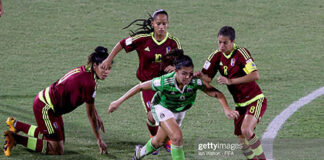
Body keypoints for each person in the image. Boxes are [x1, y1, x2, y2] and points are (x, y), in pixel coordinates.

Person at [108, 50, 239, 160]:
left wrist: (226, 109)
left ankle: (139, 153)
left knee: (160, 141)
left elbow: (217, 94)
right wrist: (118, 101)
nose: (188, 77)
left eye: (190, 73)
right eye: (184, 74)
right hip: (162, 106)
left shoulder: (195, 81)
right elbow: (140, 87)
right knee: (176, 137)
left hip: (180, 110)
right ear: (175, 70)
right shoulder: (165, 81)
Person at [3, 46, 111, 156]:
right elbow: (90, 113)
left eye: (108, 68)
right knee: (56, 149)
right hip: (45, 107)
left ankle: (16, 125)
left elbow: (89, 101)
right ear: (95, 65)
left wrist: (96, 115)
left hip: (53, 107)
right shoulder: (89, 83)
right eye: (103, 68)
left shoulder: (87, 72)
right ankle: (14, 138)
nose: (106, 72)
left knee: (58, 142)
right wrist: (99, 139)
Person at [102, 9, 182, 153]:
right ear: (153, 24)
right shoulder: (143, 39)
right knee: (152, 116)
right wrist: (108, 59)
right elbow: (122, 43)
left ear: (168, 24)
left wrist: (175, 67)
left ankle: (166, 141)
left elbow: (182, 62)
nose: (161, 26)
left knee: (167, 115)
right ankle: (154, 138)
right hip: (147, 85)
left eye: (164, 23)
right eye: (158, 23)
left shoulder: (173, 42)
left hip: (165, 84)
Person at [197, 26, 267, 160]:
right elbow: (207, 78)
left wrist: (230, 81)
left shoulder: (241, 53)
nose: (221, 46)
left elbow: (255, 75)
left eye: (225, 43)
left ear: (233, 42)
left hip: (255, 99)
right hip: (240, 105)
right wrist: (200, 76)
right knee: (242, 144)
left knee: (246, 130)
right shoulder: (216, 56)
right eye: (219, 42)